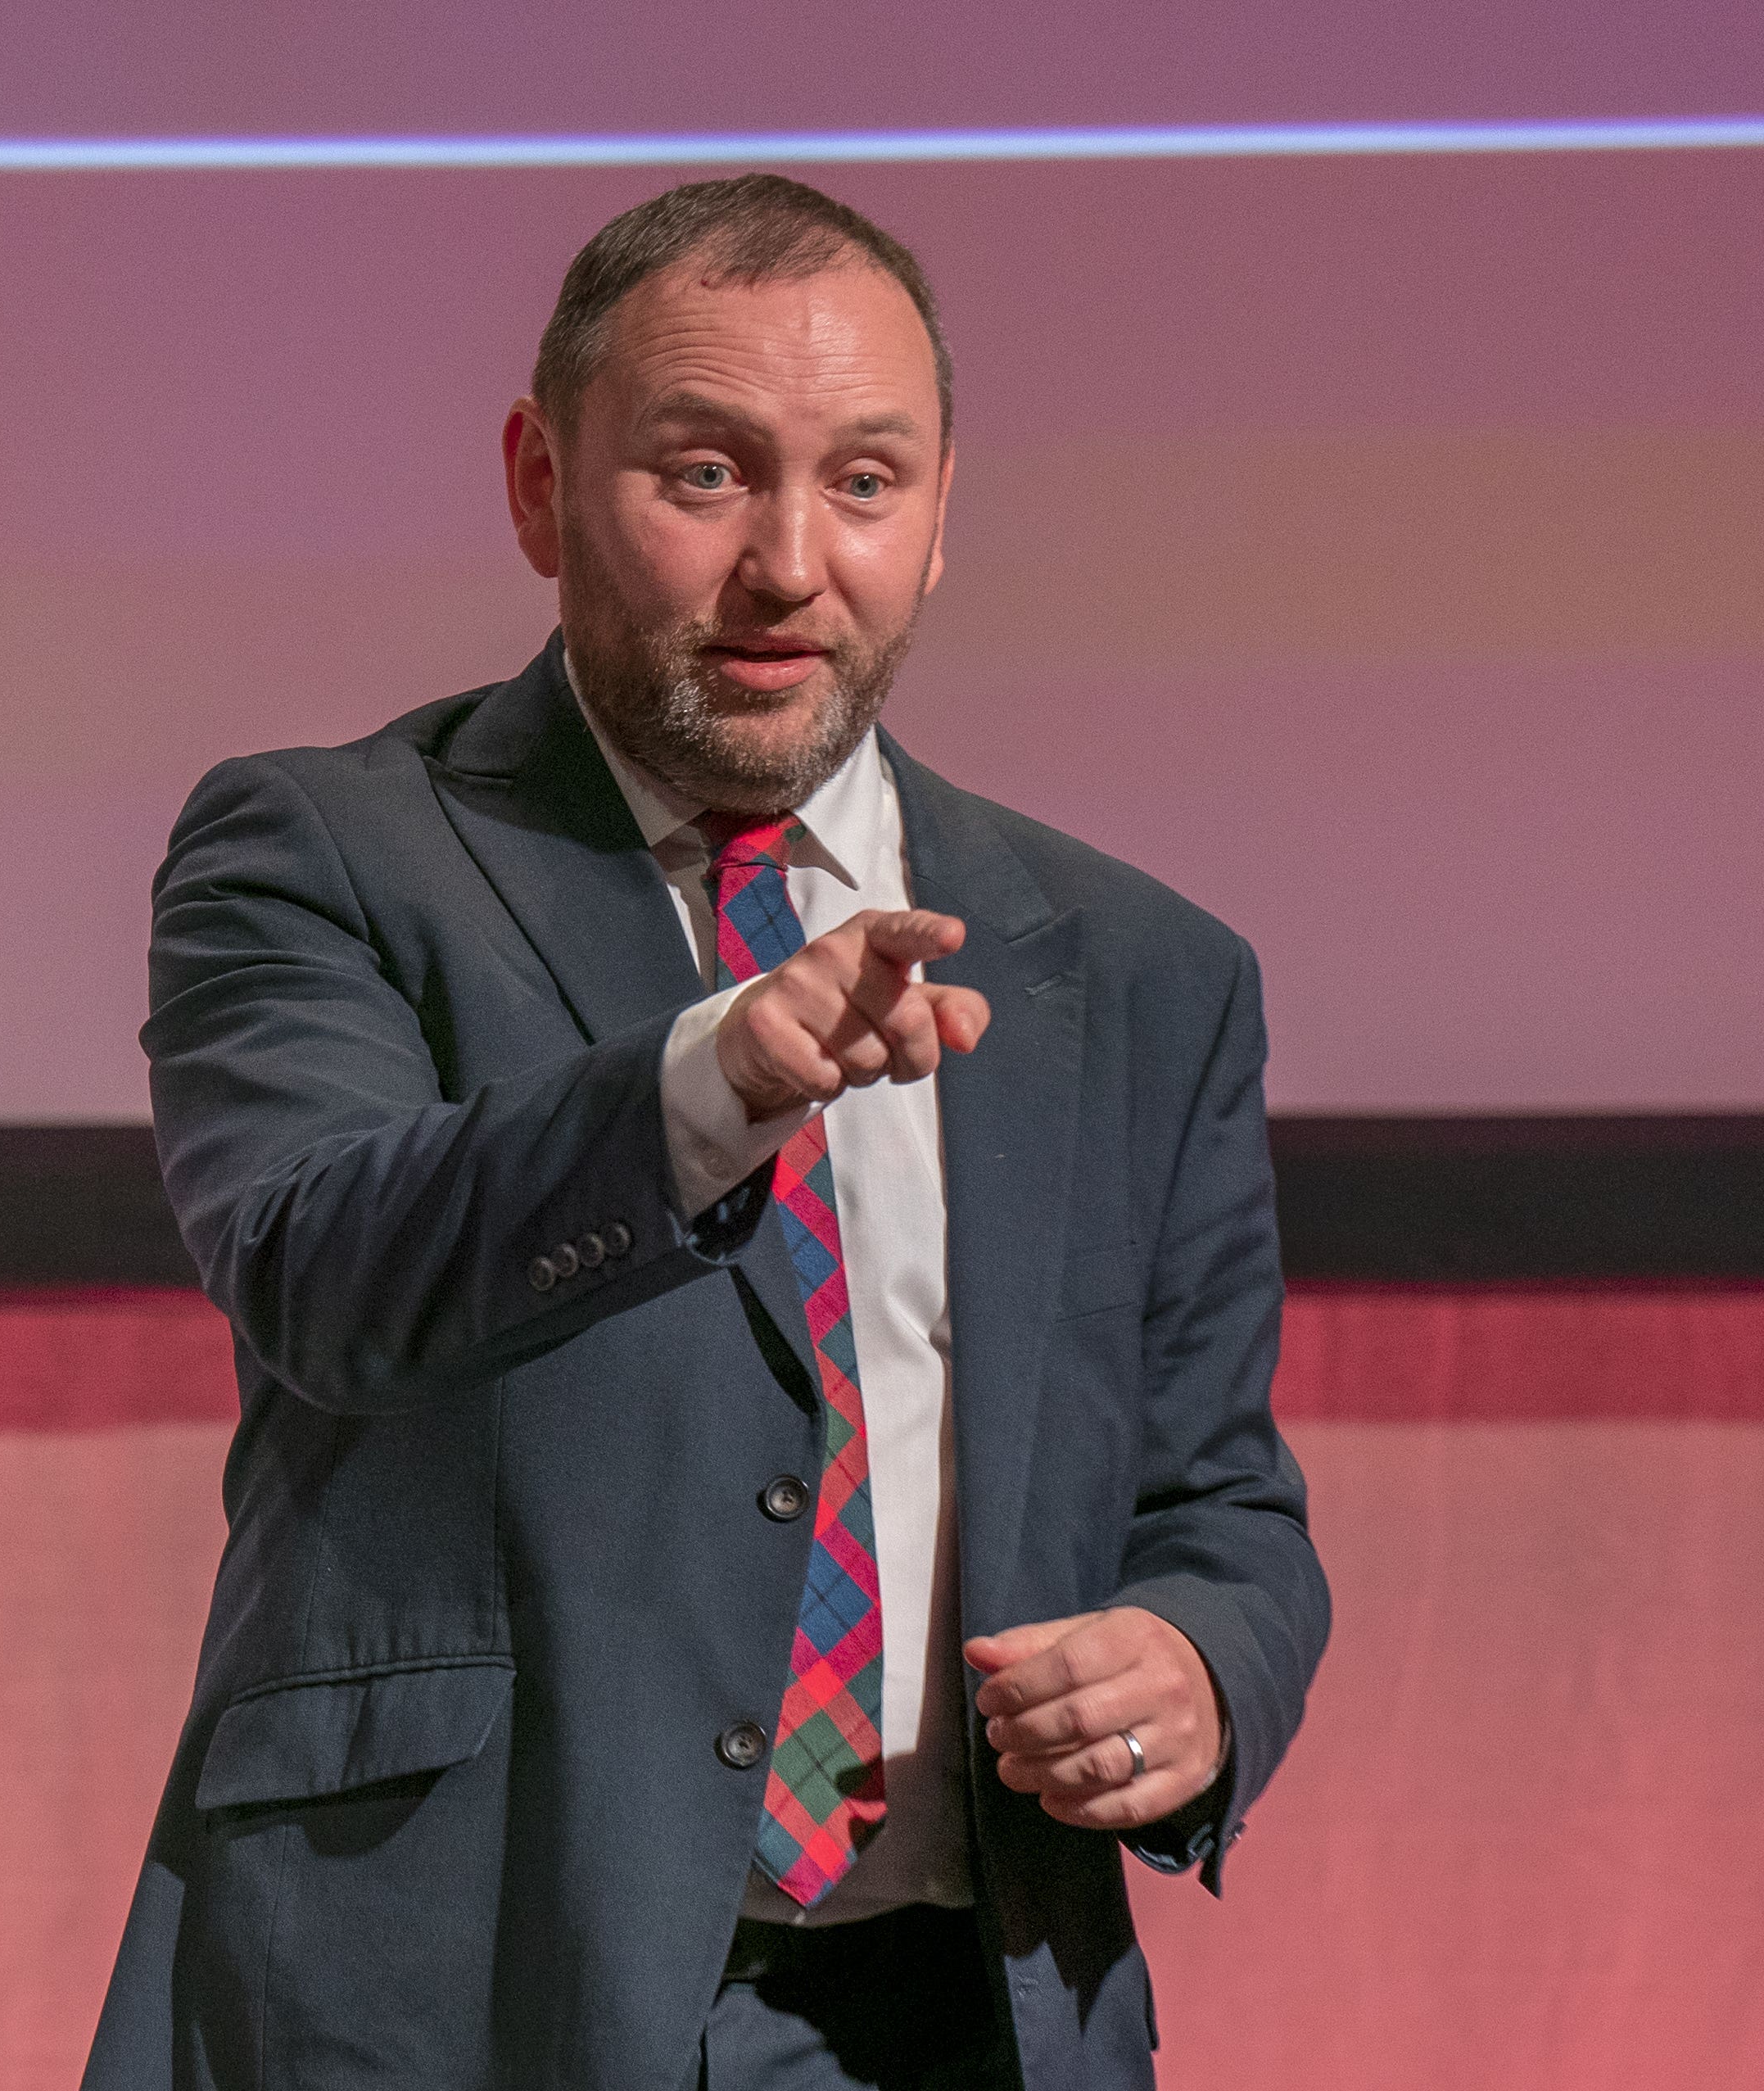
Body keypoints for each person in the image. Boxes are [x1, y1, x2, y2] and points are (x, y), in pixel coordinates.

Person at [83, 174, 1329, 2091]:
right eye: (704, 474)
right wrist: (711, 1079)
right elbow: (321, 1267)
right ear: (536, 480)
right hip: (458, 1984)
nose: (788, 565)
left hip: (959, 2003)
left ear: (939, 518)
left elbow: (1218, 1504)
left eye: (862, 482)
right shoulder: (323, 851)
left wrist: (1199, 1670)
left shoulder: (1145, 972)